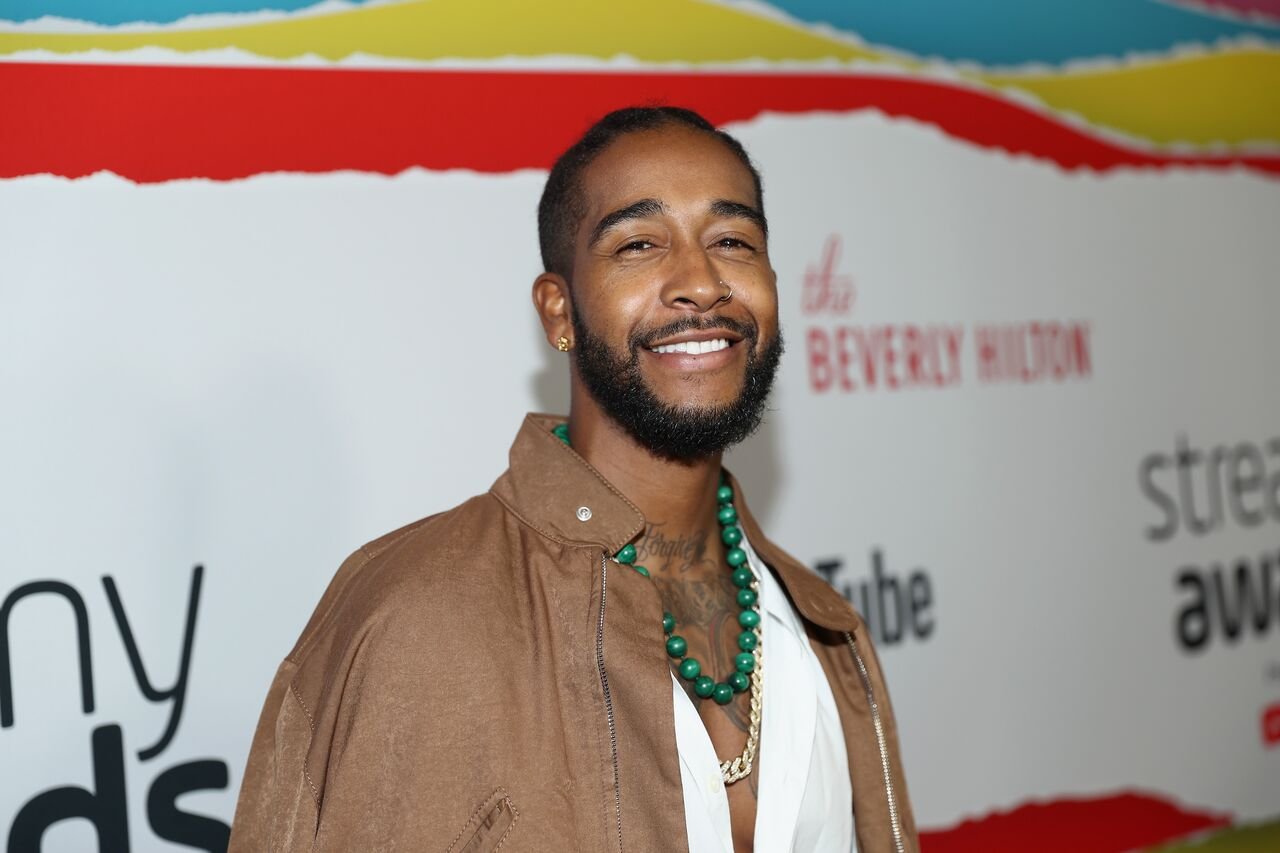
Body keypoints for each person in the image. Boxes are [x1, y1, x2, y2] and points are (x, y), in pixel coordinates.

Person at [228, 106, 916, 853]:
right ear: (560, 311)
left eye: (732, 240)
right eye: (640, 244)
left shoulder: (819, 630)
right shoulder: (414, 619)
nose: (701, 281)